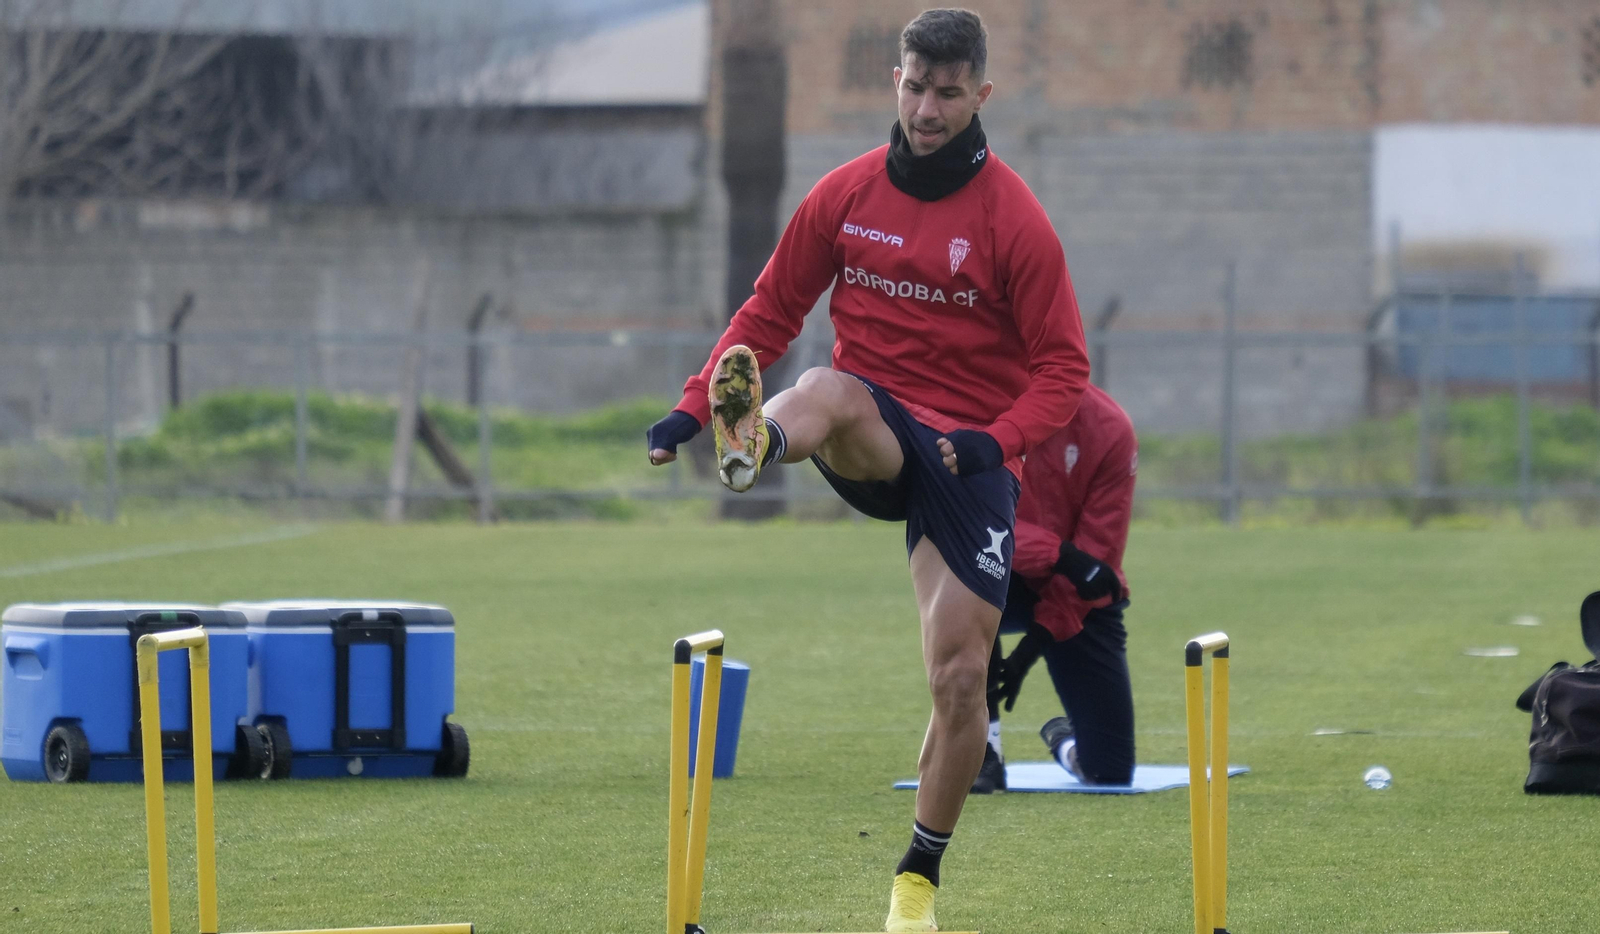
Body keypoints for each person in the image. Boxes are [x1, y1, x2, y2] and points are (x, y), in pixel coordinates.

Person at [645, 9, 1089, 931]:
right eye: (915, 87)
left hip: (967, 461)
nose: (928, 109)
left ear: (981, 94)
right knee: (827, 383)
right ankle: (752, 446)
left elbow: (1064, 374)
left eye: (949, 92)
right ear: (896, 80)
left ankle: (915, 883)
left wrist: (999, 443)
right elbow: (767, 312)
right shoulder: (845, 194)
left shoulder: (1016, 221)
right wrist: (696, 406)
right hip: (871, 432)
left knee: (962, 678)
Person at [970, 383, 1138, 793]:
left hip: (1072, 594)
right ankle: (982, 753)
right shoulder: (979, 407)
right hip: (995, 572)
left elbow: (1097, 560)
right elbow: (975, 526)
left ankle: (1062, 739)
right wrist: (1061, 555)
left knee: (1110, 771)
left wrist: (1032, 648)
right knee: (968, 581)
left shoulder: (1110, 428)